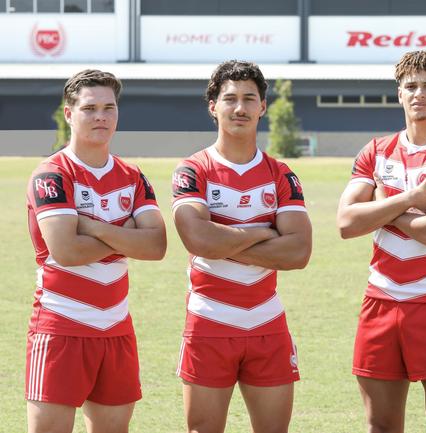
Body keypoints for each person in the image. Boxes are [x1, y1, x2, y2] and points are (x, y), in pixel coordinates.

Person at [336, 50, 426, 433]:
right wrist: (408, 201)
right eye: (411, 86)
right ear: (399, 93)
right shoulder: (376, 150)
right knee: (380, 426)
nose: (420, 94)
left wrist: (382, 207)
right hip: (380, 301)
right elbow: (347, 222)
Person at [171, 60, 312, 433]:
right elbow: (197, 239)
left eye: (250, 98)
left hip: (267, 321)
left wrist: (221, 240)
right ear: (212, 105)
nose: (240, 108)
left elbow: (298, 252)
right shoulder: (193, 170)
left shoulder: (281, 173)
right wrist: (264, 233)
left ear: (263, 107)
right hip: (208, 321)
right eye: (229, 98)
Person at [25, 69, 167, 433]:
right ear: (69, 114)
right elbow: (67, 249)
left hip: (116, 329)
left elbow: (156, 245)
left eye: (109, 107)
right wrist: (126, 234)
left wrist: (91, 225)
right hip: (60, 329)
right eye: (89, 108)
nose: (101, 116)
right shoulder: (51, 175)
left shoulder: (133, 177)